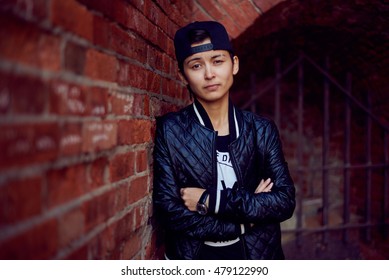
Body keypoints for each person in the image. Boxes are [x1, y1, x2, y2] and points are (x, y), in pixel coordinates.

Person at [153, 21, 295, 260]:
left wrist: (210, 200)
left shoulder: (261, 130)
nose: (209, 74)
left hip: (258, 256)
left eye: (218, 61)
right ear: (182, 75)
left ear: (234, 64)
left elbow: (283, 201)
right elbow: (170, 212)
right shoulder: (171, 131)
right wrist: (242, 223)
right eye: (196, 65)